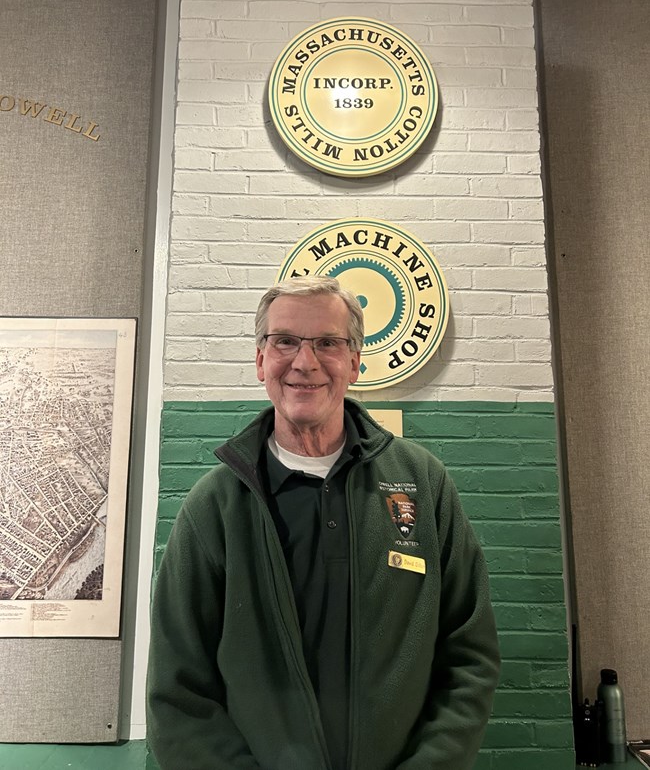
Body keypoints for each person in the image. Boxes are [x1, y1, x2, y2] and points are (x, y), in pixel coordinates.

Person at [146, 275, 500, 770]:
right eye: (285, 341)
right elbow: (178, 690)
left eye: (328, 343)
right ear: (260, 361)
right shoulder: (214, 508)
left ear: (354, 363)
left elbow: (469, 655)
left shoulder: (423, 483)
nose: (304, 362)